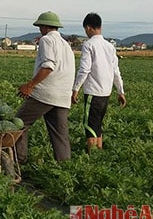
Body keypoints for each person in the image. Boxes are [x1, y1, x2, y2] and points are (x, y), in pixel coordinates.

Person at [15, 11, 75, 164]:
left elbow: (48, 66)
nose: (39, 29)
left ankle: (18, 160)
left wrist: (30, 85)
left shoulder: (46, 40)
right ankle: (65, 166)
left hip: (46, 94)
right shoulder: (66, 44)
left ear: (44, 26)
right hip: (63, 96)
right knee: (60, 134)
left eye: (40, 26)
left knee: (18, 123)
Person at [71, 12, 126, 152]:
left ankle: (91, 155)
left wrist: (75, 89)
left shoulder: (88, 45)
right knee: (98, 124)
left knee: (90, 125)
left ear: (88, 27)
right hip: (105, 92)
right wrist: (120, 91)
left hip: (92, 92)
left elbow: (84, 69)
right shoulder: (109, 46)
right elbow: (116, 71)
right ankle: (99, 153)